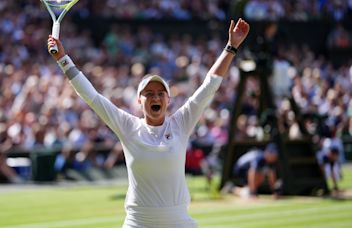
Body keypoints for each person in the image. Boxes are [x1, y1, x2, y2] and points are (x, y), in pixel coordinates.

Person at [47, 18, 249, 228]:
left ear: (168, 100)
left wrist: (231, 47)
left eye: (161, 93)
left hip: (179, 222)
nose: (155, 98)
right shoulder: (128, 126)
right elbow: (92, 97)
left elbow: (209, 85)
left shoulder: (181, 122)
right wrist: (63, 59)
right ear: (139, 100)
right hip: (138, 223)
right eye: (149, 94)